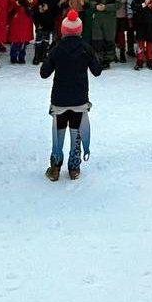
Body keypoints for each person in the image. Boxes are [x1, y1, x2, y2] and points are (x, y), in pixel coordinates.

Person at [39, 9, 102, 180]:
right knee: (76, 133)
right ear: (80, 30)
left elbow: (44, 73)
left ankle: (55, 168)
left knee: (58, 133)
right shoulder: (86, 48)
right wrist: (96, 57)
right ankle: (74, 168)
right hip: (79, 99)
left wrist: (49, 59)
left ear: (63, 30)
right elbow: (97, 71)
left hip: (59, 99)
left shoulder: (57, 48)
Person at [7, 0, 37, 64]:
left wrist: (30, 1)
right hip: (17, 15)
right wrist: (17, 3)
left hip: (26, 15)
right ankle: (13, 55)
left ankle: (21, 56)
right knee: (16, 38)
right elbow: (10, 0)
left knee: (24, 38)